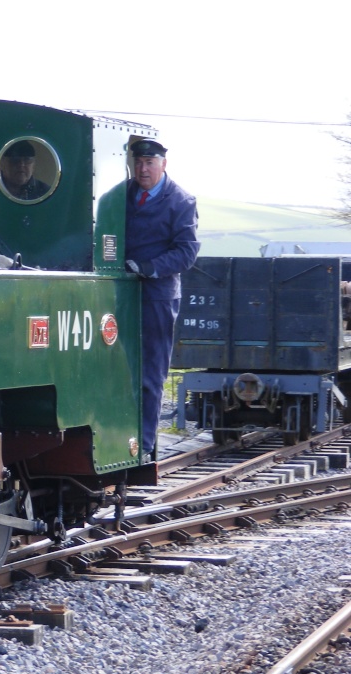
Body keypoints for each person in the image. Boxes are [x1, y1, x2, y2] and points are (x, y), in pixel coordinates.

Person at [123, 138, 200, 459]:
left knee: (150, 373)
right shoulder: (122, 195)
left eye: (149, 163)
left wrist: (149, 268)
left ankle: (144, 444)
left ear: (163, 165)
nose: (143, 169)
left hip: (156, 296)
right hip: (119, 292)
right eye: (138, 162)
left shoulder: (181, 201)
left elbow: (187, 252)